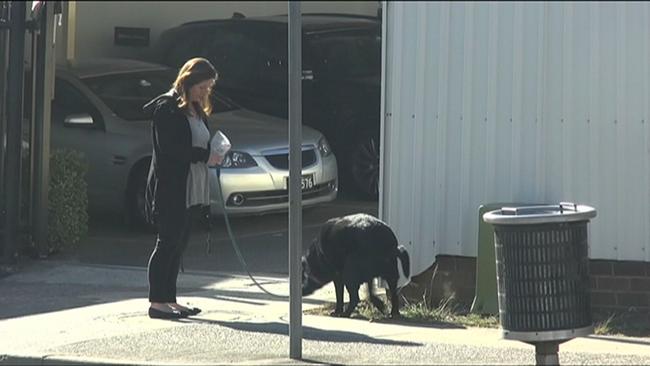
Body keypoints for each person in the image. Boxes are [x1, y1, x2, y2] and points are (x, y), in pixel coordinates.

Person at [142, 58, 221, 319]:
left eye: (209, 88)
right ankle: (157, 302)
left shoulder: (196, 109)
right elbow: (172, 150)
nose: (205, 93)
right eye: (201, 87)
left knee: (179, 244)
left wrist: (214, 153)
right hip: (172, 187)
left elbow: (197, 143)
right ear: (188, 82)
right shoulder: (167, 108)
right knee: (167, 242)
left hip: (192, 186)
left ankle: (169, 299)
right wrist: (203, 155)